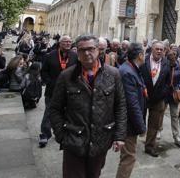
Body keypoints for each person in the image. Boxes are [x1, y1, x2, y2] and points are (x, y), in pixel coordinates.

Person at [49, 35, 127, 178]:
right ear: (77, 53)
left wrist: (120, 135)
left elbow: (121, 106)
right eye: (82, 50)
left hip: (101, 141)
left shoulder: (113, 74)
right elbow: (54, 108)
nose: (86, 53)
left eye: (90, 49)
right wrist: (61, 136)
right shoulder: (66, 76)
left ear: (98, 50)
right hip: (73, 142)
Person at [39, 35, 78, 148]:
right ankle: (45, 134)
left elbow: (77, 70)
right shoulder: (50, 55)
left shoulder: (74, 56)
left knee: (68, 113)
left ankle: (62, 133)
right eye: (65, 41)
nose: (68, 43)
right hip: (53, 90)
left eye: (70, 42)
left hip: (69, 91)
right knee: (49, 112)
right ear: (60, 43)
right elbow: (44, 71)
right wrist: (49, 82)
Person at [115, 43, 147, 178]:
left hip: (129, 121)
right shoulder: (127, 72)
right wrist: (141, 127)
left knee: (128, 156)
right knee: (128, 157)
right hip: (128, 123)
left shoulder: (131, 69)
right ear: (140, 55)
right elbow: (132, 103)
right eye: (144, 54)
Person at [141, 41, 171, 157]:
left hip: (158, 99)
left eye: (161, 49)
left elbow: (168, 82)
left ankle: (149, 146)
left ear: (164, 51)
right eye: (157, 49)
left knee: (154, 125)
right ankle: (131, 143)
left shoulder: (166, 63)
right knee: (138, 120)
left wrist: (163, 94)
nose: (159, 51)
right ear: (152, 49)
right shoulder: (143, 60)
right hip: (143, 97)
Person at [164, 50, 180, 147]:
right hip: (165, 93)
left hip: (174, 93)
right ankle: (158, 130)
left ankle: (176, 136)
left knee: (175, 115)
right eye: (171, 56)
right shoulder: (164, 65)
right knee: (160, 113)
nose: (173, 57)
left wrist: (179, 86)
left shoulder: (178, 65)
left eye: (175, 55)